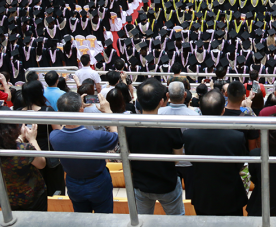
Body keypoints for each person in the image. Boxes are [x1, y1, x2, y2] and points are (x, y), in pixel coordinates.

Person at [50, 92, 119, 213]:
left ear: (59, 112)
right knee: (104, 218)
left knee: (82, 218)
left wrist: (73, 109)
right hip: (98, 183)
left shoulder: (54, 137)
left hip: (73, 184)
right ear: (81, 110)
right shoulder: (96, 137)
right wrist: (108, 111)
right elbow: (116, 135)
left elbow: (62, 127)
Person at [183, 90, 248, 216]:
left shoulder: (189, 135)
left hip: (202, 194)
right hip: (230, 195)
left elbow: (192, 161)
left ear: (200, 110)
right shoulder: (236, 137)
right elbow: (239, 164)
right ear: (223, 111)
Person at [126, 79, 185, 215]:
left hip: (141, 185)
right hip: (167, 184)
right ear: (161, 101)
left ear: (138, 101)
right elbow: (177, 159)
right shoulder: (171, 127)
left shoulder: (128, 126)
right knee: (177, 221)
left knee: (143, 221)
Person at [0, 106, 47, 211]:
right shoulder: (24, 149)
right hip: (32, 198)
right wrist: (32, 139)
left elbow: (5, 146)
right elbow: (41, 163)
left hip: (7, 198)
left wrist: (20, 139)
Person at [20, 80, 65, 196]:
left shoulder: (18, 112)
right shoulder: (47, 111)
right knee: (53, 189)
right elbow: (58, 132)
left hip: (27, 155)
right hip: (48, 155)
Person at [224, 80, 259, 151]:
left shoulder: (218, 113)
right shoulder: (249, 119)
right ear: (243, 97)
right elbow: (252, 149)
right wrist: (249, 108)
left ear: (226, 94)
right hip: (242, 156)